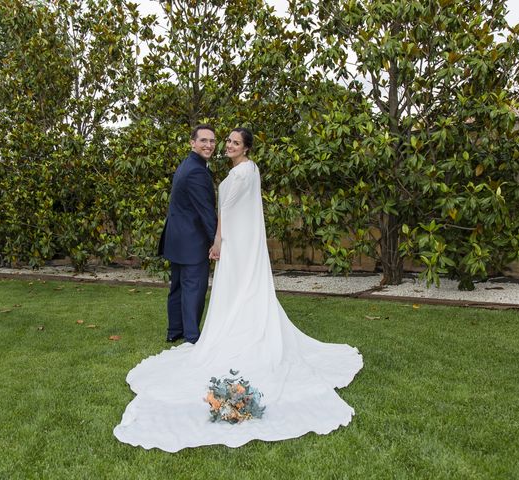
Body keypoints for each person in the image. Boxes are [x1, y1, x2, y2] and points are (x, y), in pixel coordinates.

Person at [115, 128, 363, 452]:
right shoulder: (218, 171)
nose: (226, 146)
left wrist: (217, 240)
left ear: (245, 148)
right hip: (228, 242)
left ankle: (196, 332)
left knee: (210, 289)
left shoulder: (245, 171)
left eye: (232, 142)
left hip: (238, 243)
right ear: (195, 143)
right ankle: (189, 331)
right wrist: (218, 238)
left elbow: (225, 212)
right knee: (201, 289)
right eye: (224, 142)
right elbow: (218, 212)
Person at [158, 124, 217, 344]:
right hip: (192, 241)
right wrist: (216, 241)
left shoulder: (187, 165)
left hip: (177, 238)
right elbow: (206, 212)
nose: (208, 145)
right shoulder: (197, 171)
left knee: (179, 288)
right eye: (203, 140)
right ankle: (192, 337)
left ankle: (174, 331)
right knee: (194, 288)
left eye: (212, 141)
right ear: (192, 142)